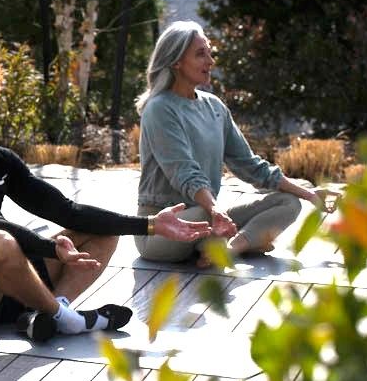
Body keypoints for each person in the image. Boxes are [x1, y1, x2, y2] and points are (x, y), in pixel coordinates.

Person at [0, 36, 211, 344]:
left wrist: (151, 224)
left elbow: (65, 210)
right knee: (0, 242)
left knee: (101, 231)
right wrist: (52, 249)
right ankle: (68, 319)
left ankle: (50, 313)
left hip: (4, 288)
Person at [134, 21, 324, 265]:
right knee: (204, 214)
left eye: (209, 52)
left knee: (288, 202)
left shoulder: (214, 107)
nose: (210, 61)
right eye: (200, 54)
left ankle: (232, 247)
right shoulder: (159, 109)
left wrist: (310, 194)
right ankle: (229, 241)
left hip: (206, 216)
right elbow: (184, 172)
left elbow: (251, 166)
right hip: (161, 230)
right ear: (176, 62)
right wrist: (216, 211)